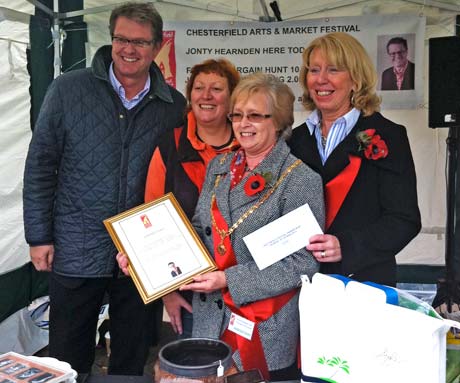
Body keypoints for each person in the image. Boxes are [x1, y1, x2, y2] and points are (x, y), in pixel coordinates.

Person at [22, 2, 186, 379]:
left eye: (140, 42)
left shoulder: (172, 105)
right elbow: (40, 166)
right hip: (75, 244)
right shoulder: (68, 89)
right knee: (67, 353)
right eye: (121, 39)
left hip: (140, 253)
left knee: (132, 352)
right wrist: (39, 236)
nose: (129, 49)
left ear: (157, 46)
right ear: (111, 39)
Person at [180, 73, 325, 380]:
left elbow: (304, 263)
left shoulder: (300, 180)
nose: (243, 124)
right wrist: (149, 260)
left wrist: (227, 279)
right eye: (237, 115)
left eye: (255, 116)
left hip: (263, 328)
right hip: (208, 321)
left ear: (279, 121)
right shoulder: (218, 168)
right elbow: (196, 228)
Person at [288, 32, 421, 287]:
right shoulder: (293, 140)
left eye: (333, 69)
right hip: (300, 286)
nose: (321, 79)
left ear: (356, 79)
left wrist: (347, 246)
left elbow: (404, 220)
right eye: (314, 70)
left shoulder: (388, 136)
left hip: (363, 285)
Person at [143, 58, 240, 338]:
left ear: (232, 97)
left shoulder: (249, 143)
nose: (206, 96)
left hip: (240, 284)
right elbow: (151, 219)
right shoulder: (170, 145)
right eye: (199, 88)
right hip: (189, 287)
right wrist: (167, 293)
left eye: (216, 89)